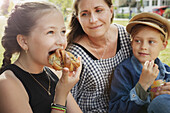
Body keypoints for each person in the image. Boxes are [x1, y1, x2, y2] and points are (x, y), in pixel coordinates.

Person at [0, 2, 83, 113]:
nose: (61, 41)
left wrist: (64, 88)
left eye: (63, 32)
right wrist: (61, 95)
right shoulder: (8, 84)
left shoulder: (55, 74)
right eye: (50, 32)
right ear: (24, 41)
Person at [66, 0, 132, 112]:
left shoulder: (126, 36)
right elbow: (66, 100)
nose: (93, 20)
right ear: (78, 19)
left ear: (111, 11)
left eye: (98, 10)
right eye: (85, 14)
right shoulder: (74, 55)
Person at [109, 12, 170, 113]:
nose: (143, 47)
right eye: (137, 41)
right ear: (131, 43)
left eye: (151, 42)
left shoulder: (167, 72)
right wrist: (142, 85)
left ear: (163, 45)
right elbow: (116, 109)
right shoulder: (123, 72)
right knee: (161, 104)